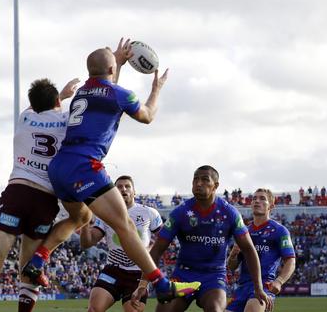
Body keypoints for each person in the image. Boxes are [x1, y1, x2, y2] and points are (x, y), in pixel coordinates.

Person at [21, 38, 199, 303]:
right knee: (125, 224)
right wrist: (156, 89)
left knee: (80, 219)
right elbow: (147, 115)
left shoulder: (82, 91)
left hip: (60, 167)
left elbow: (105, 88)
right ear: (112, 70)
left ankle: (40, 257)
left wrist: (115, 60)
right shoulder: (120, 94)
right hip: (85, 165)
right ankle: (161, 284)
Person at [0, 77, 80, 312]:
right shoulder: (67, 121)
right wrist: (62, 99)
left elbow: (39, 105)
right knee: (28, 272)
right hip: (46, 201)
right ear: (55, 101)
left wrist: (60, 95)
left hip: (18, 192)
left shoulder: (25, 117)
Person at [140, 165, 272, 312]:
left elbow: (249, 250)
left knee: (215, 309)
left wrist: (258, 288)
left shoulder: (229, 213)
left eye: (204, 179)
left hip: (214, 276)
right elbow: (157, 249)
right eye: (195, 179)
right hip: (183, 275)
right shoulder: (181, 212)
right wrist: (143, 285)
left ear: (215, 185)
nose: (198, 183)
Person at [80, 175, 162, 312]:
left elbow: (164, 240)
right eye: (119, 187)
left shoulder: (149, 213)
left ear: (134, 192)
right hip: (113, 270)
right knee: (93, 310)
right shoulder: (105, 213)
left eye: (127, 186)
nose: (123, 189)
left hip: (139, 273)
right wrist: (84, 222)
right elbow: (87, 243)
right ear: (114, 192)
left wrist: (148, 249)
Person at [226, 188, 296, 312]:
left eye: (262, 198)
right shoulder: (244, 231)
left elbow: (291, 261)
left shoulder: (279, 231)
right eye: (254, 199)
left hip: (263, 286)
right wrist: (233, 254)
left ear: (271, 206)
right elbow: (232, 266)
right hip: (242, 287)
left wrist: (279, 281)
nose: (257, 201)